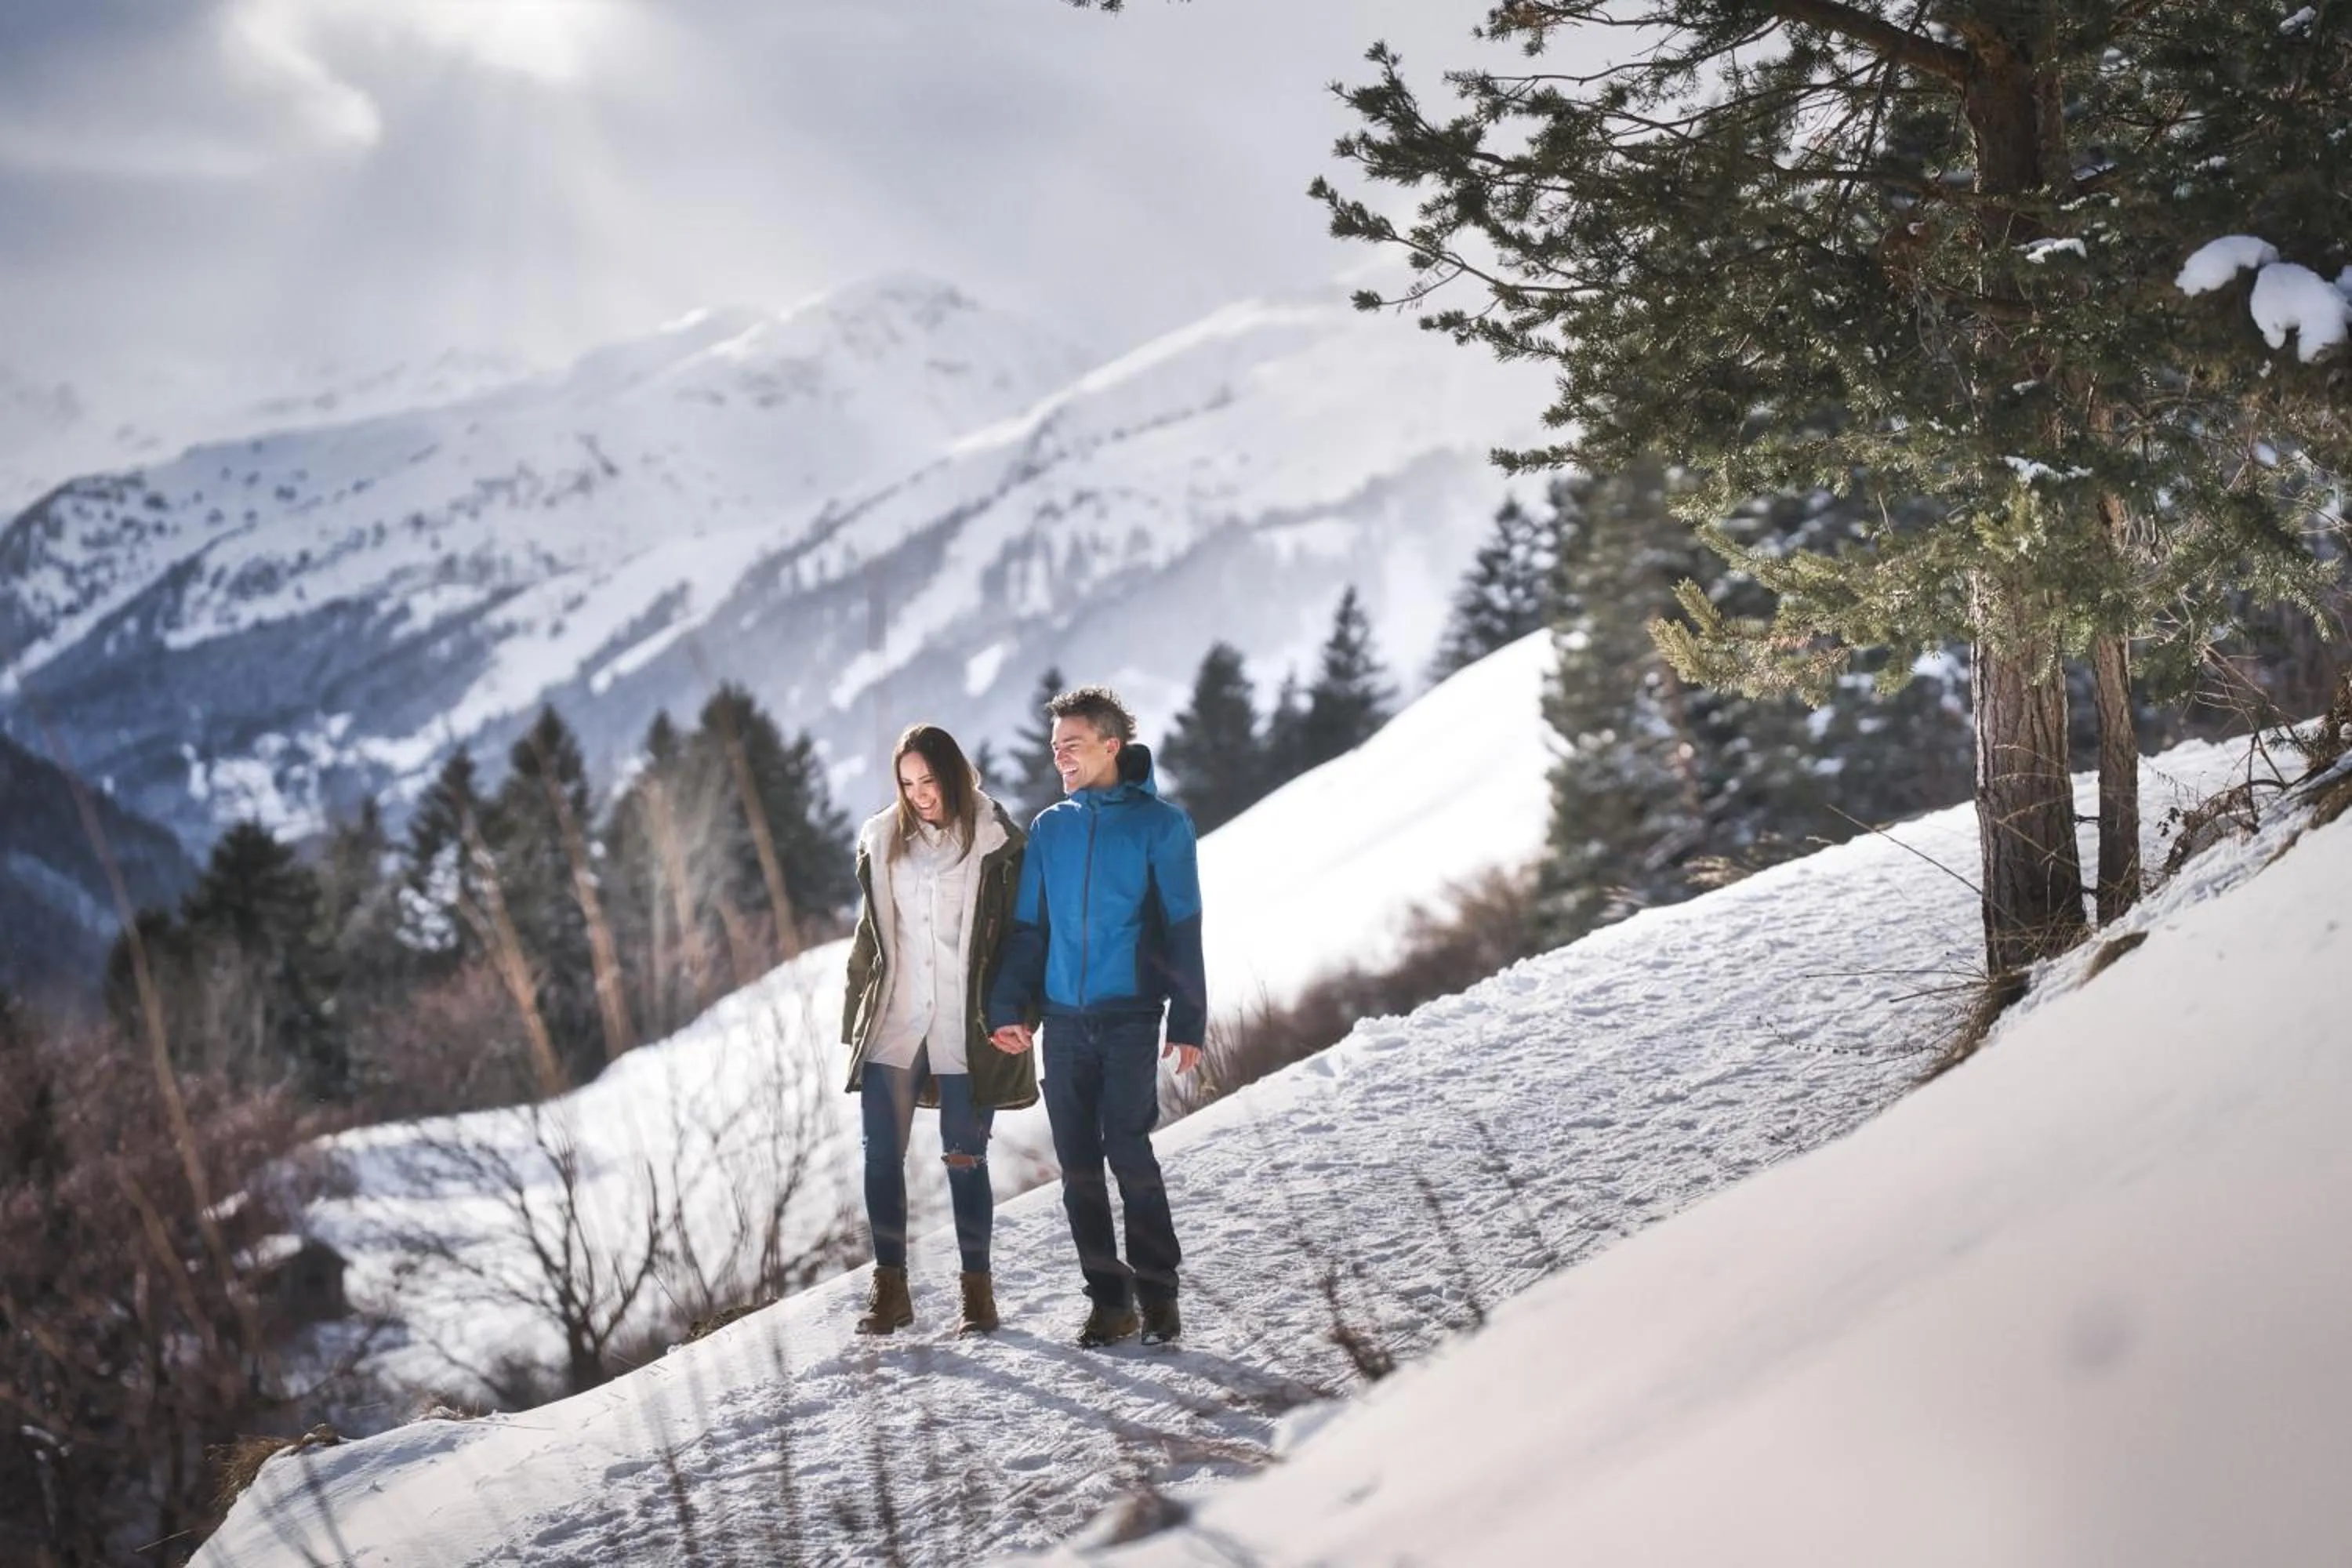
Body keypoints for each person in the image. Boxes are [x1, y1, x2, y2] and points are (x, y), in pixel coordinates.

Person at [987, 684, 1205, 1348]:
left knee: (1129, 1151)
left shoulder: (1161, 827)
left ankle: (1159, 1293)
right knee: (1079, 1165)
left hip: (1132, 1017)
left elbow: (1183, 927)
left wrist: (1188, 1019)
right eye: (1056, 748)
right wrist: (1008, 1006)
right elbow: (1029, 930)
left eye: (1073, 745)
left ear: (1113, 745)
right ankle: (1110, 1302)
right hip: (1064, 1022)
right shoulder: (1050, 829)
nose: (1062, 758)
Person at [841, 723, 1034, 1337]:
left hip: (966, 1025)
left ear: (952, 772)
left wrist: (1023, 1013)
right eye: (907, 783)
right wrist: (855, 1015)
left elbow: (1026, 939)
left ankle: (977, 1294)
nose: (919, 793)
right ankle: (890, 1289)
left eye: (928, 779)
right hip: (896, 1019)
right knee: (880, 1156)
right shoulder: (882, 841)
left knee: (963, 1155)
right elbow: (870, 937)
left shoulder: (999, 842)